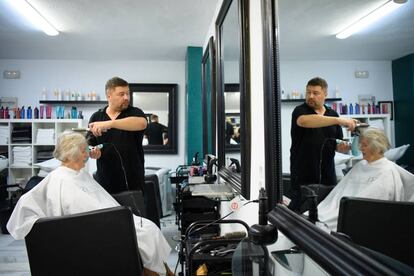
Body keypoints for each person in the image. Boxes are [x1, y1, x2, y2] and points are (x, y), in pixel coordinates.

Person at [6, 132, 172, 275]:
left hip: (108, 220)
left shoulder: (79, 174)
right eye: (85, 149)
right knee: (147, 234)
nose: (88, 153)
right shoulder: (61, 179)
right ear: (73, 153)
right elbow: (71, 211)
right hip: (93, 229)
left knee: (149, 230)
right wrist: (116, 218)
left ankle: (154, 271)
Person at [317, 128, 414, 231]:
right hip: (340, 209)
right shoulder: (360, 165)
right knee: (318, 217)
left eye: (364, 145)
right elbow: (340, 191)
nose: (360, 148)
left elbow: (378, 201)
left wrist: (348, 209)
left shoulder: (387, 170)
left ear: (377, 147)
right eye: (360, 144)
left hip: (359, 214)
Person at [289, 77, 357, 211]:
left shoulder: (333, 114)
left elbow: (336, 143)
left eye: (315, 93)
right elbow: (304, 122)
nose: (310, 96)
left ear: (325, 94)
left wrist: (342, 147)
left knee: (325, 212)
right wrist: (338, 120)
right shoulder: (300, 111)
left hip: (328, 174)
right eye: (308, 92)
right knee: (300, 212)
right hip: (303, 173)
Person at [87, 77, 147, 194]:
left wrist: (110, 124)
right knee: (109, 213)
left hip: (133, 181)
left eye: (127, 94)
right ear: (109, 96)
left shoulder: (135, 112)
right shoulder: (96, 117)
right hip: (105, 181)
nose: (126, 97)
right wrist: (93, 152)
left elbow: (142, 123)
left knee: (134, 212)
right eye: (121, 94)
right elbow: (89, 145)